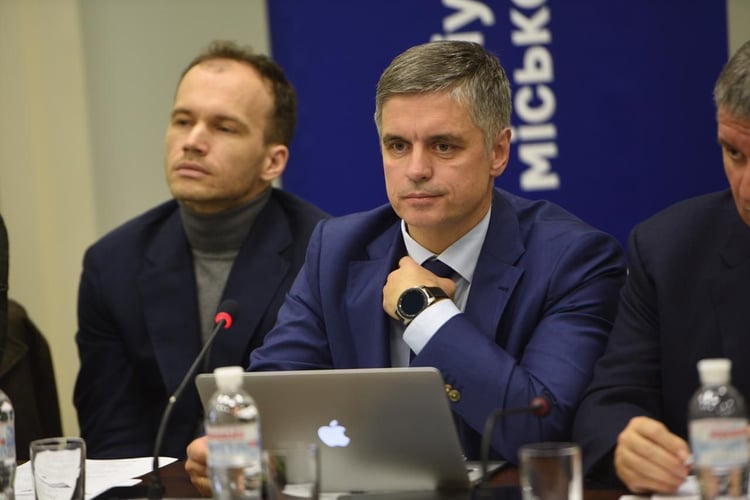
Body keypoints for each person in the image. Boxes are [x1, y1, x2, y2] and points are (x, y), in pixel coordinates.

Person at [183, 39, 626, 493]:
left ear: (498, 152)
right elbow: (274, 393)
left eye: (443, 146)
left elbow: (540, 429)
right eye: (397, 145)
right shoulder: (336, 250)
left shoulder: (572, 260)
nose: (416, 169)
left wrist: (425, 312)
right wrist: (232, 443)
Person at [74, 40, 328, 459]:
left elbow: (330, 416)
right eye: (182, 121)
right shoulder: (112, 264)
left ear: (273, 162)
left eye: (224, 127)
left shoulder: (323, 256)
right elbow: (111, 434)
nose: (192, 141)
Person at [572, 40, 750, 494]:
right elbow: (609, 404)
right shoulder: (672, 249)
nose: (746, 188)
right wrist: (627, 445)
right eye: (734, 154)